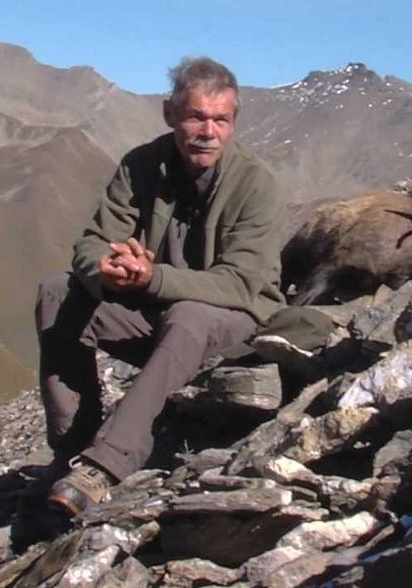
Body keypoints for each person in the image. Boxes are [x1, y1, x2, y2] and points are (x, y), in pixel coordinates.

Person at [35, 56, 287, 516]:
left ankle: (106, 465)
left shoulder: (257, 185)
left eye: (220, 120)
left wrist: (153, 278)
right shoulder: (141, 165)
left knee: (187, 314)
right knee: (56, 291)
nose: (207, 131)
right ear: (170, 114)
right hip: (156, 312)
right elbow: (93, 241)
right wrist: (106, 269)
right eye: (195, 117)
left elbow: (240, 284)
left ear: (233, 123)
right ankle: (71, 450)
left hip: (233, 326)